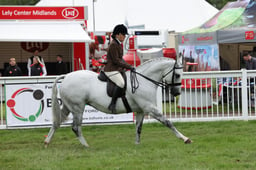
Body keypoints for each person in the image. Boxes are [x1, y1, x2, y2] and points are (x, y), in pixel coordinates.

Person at [104, 24, 134, 113]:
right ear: (118, 34)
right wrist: (129, 66)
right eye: (123, 35)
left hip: (116, 69)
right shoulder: (113, 44)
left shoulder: (117, 44)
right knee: (121, 83)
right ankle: (112, 103)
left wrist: (129, 66)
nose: (124, 37)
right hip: (111, 69)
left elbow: (121, 59)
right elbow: (116, 60)